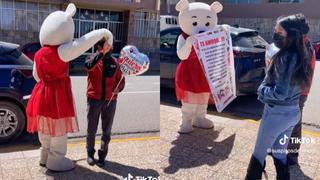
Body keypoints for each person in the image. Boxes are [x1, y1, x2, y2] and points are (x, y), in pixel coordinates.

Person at [245, 14, 313, 180]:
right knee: (280, 153)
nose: (275, 34)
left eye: (279, 32)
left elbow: (280, 93)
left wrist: (261, 90)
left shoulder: (285, 57)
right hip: (292, 113)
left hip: (277, 114)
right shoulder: (303, 51)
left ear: (291, 34)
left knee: (258, 154)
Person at [85, 39, 125, 167]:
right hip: (94, 99)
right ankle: (90, 154)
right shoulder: (93, 58)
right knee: (91, 129)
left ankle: (102, 155)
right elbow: (89, 66)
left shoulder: (115, 62)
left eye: (110, 44)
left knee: (106, 130)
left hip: (110, 100)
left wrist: (118, 89)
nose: (110, 46)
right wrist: (102, 53)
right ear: (99, 47)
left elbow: (121, 81)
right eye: (106, 45)